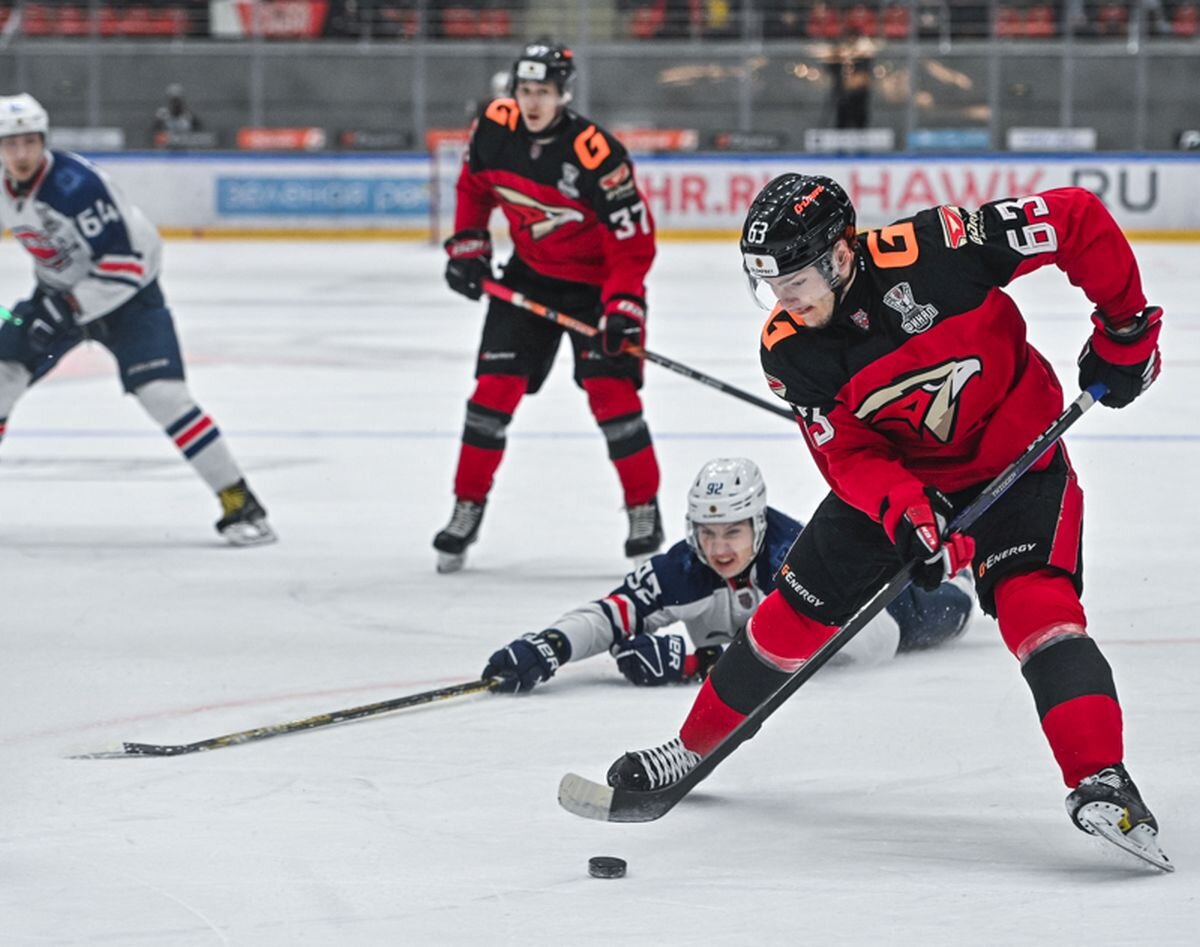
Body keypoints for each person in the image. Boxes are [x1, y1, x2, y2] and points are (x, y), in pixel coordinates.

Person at [603, 174, 1170, 869]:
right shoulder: (789, 350)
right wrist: (907, 511)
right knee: (790, 616)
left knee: (1038, 607)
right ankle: (692, 746)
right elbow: (847, 450)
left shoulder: (942, 249)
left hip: (1017, 460)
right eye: (769, 286)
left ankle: (1101, 780)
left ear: (841, 254)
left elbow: (1076, 218)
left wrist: (1124, 325)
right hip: (904, 480)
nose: (784, 300)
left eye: (796, 279)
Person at [0, 93, 274, 545]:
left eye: (29, 142)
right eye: (10, 145)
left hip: (130, 301)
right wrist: (56, 304)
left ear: (43, 141)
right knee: (2, 376)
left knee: (165, 397)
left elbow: (125, 263)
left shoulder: (76, 186)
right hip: (56, 294)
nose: (21, 154)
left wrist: (66, 309)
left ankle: (240, 501)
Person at [434, 40, 663, 573]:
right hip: (530, 278)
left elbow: (633, 242)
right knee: (491, 396)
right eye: (525, 90)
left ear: (564, 94)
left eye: (544, 92)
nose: (532, 102)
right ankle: (466, 506)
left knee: (614, 396)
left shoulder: (595, 154)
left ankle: (643, 508)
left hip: (599, 286)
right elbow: (474, 188)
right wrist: (469, 245)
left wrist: (623, 306)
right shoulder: (493, 127)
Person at [482, 457, 973, 693]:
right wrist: (552, 645)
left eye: (733, 532)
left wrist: (704, 663)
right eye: (707, 532)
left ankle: (963, 551)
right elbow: (614, 613)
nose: (718, 549)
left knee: (957, 604)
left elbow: (874, 643)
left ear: (758, 524)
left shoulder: (795, 557)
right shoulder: (685, 565)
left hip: (898, 607)